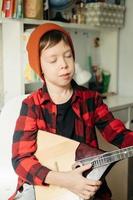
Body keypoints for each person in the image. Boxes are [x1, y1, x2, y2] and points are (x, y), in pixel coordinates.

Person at [9, 22, 133, 200]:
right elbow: (20, 160)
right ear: (39, 66)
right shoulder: (32, 105)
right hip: (46, 186)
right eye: (53, 60)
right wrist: (64, 180)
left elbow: (118, 133)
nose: (64, 65)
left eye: (68, 56)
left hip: (85, 183)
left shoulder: (91, 99)